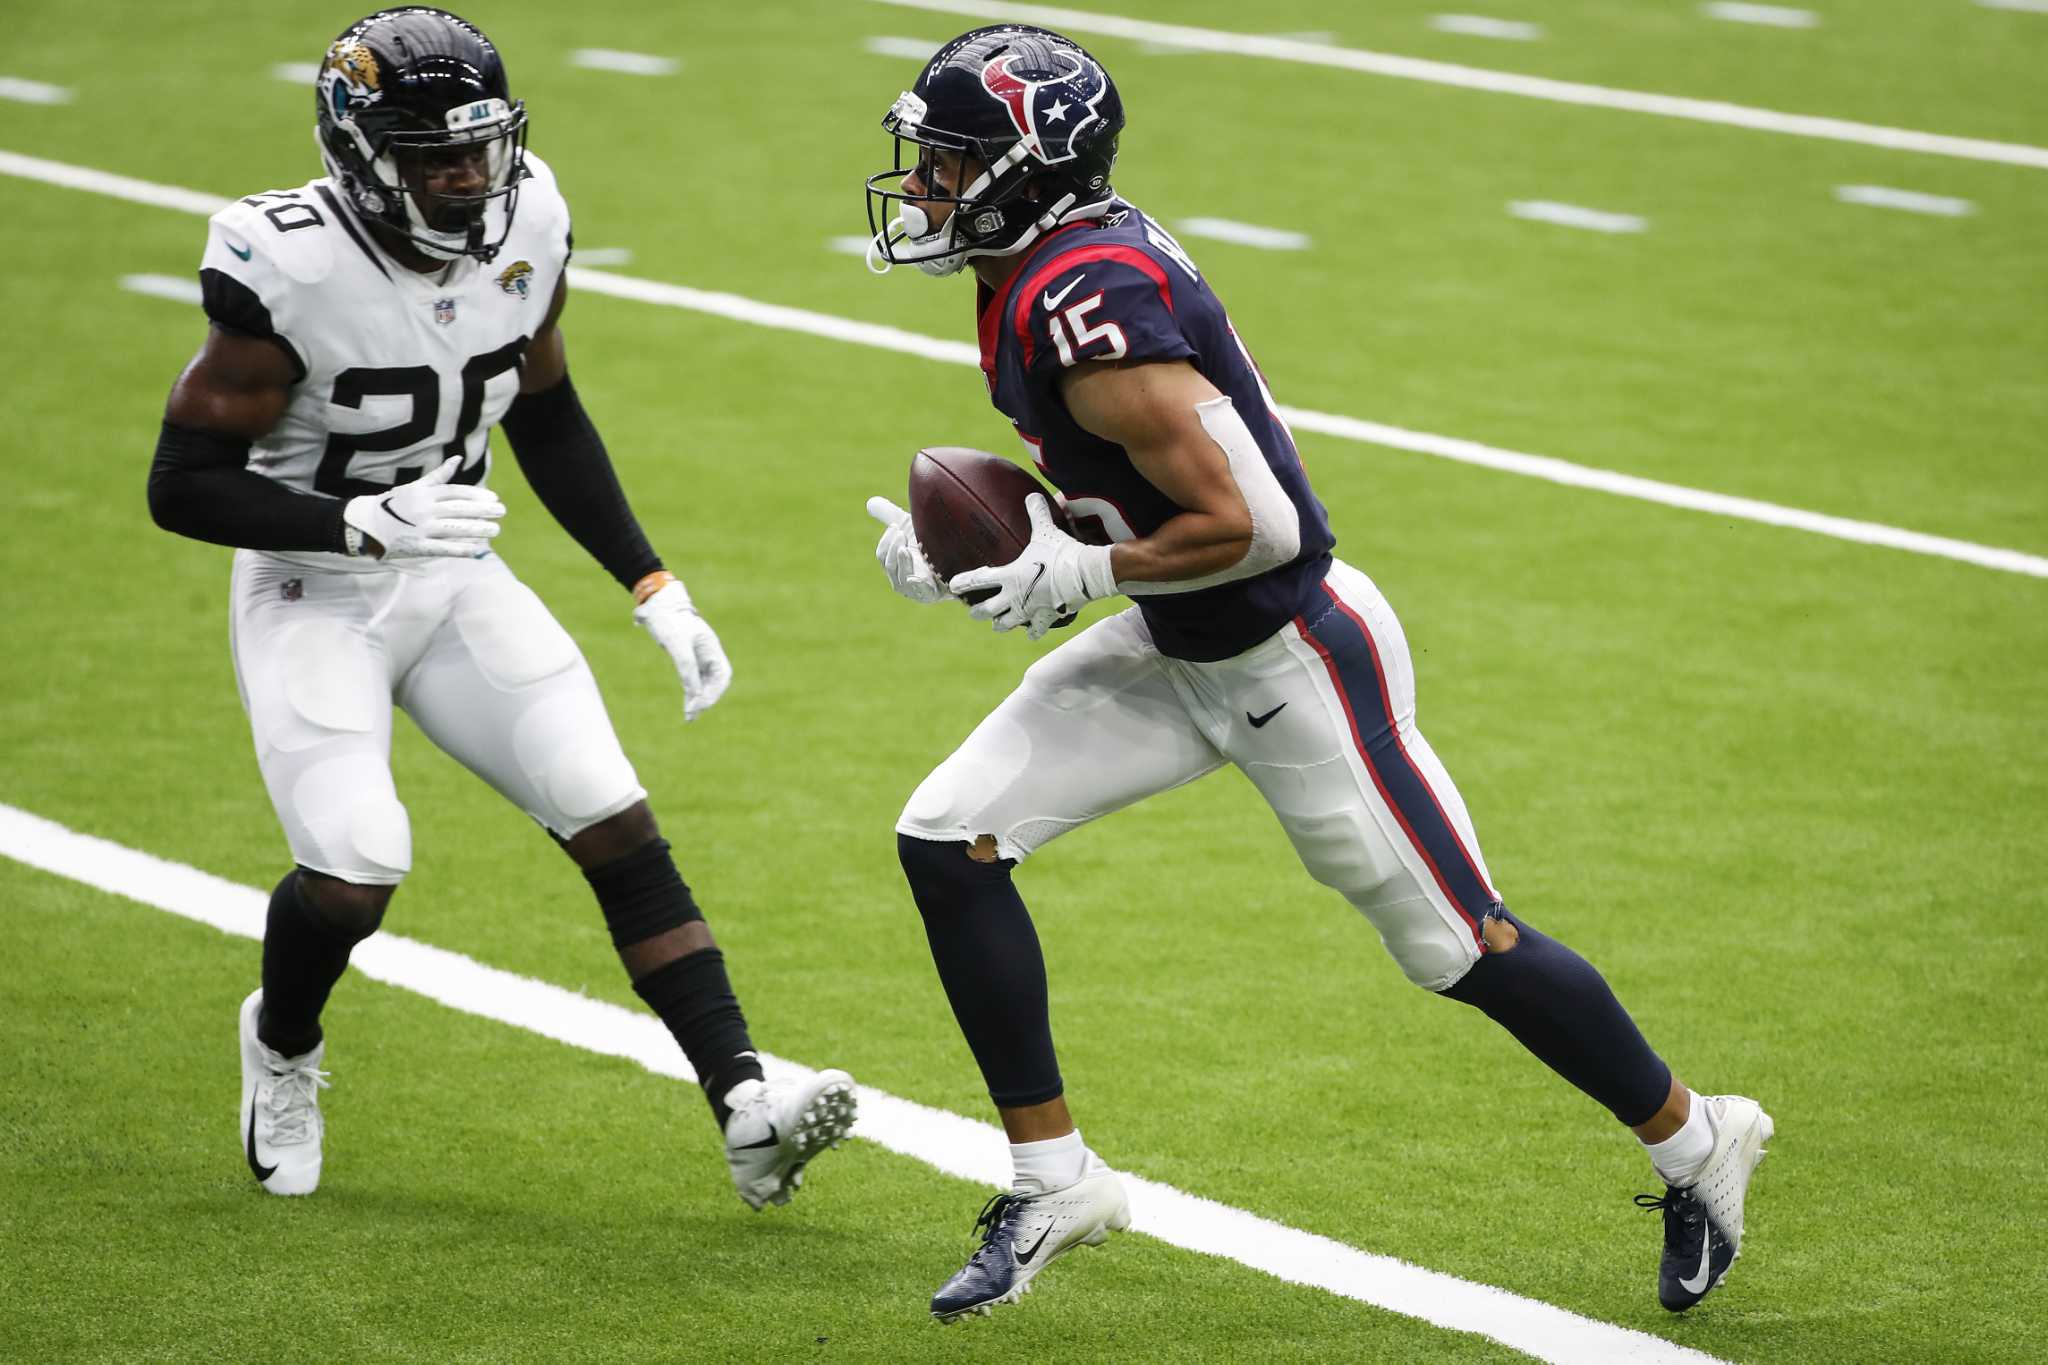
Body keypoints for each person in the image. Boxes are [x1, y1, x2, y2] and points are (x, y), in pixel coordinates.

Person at [861, 25, 1771, 1321]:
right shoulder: (1035, 265)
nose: (924, 187)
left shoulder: (1085, 299)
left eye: (951, 162)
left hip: (1294, 657)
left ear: (1028, 169)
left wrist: (1085, 575)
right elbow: (1126, 488)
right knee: (948, 839)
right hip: (1176, 645)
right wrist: (989, 552)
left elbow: (1263, 526)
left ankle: (1698, 1138)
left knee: (1462, 947)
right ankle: (1055, 1177)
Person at [147, 6, 855, 1210]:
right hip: (313, 586)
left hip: (457, 574)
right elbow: (180, 488)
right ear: (359, 156)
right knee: (359, 868)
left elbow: (545, 410)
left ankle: (743, 1105)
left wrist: (652, 582)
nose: (467, 174)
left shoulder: (528, 218)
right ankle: (284, 1042)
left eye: (478, 145)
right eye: (431, 152)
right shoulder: (288, 268)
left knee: (610, 814)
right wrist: (351, 521)